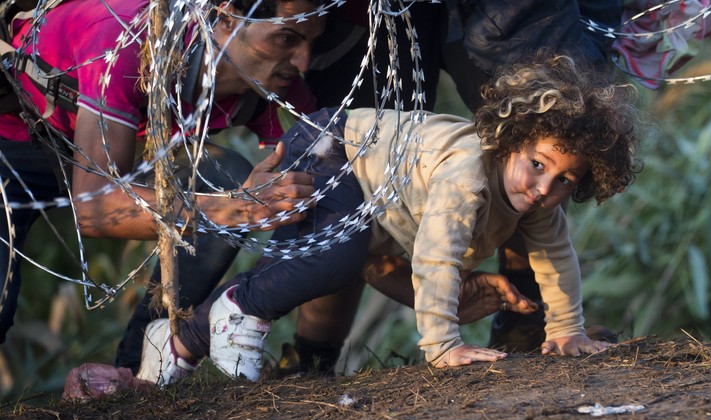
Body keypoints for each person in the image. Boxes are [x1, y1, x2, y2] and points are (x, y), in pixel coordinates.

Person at [136, 51, 639, 387]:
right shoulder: (468, 172)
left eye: (565, 181)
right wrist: (442, 347)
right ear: (512, 138)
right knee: (333, 260)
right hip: (332, 148)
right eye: (538, 165)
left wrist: (568, 329)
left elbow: (556, 258)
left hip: (366, 189)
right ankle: (239, 306)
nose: (544, 188)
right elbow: (436, 255)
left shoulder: (534, 200)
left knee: (332, 259)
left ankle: (179, 342)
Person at [0, 0, 332, 365]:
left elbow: (319, 187)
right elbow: (97, 208)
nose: (302, 61)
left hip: (121, 149)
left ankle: (142, 367)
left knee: (226, 173)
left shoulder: (274, 83)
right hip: (15, 143)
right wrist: (241, 211)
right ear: (227, 18)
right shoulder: (132, 41)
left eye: (310, 42)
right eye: (286, 38)